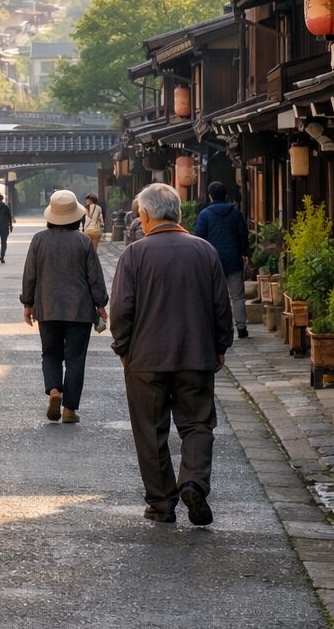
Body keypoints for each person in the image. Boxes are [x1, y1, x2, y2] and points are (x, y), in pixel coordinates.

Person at [110, 183, 233, 526]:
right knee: (197, 423)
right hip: (196, 355)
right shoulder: (204, 251)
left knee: (150, 430)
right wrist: (220, 346)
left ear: (146, 216)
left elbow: (121, 309)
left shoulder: (134, 254)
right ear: (178, 213)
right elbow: (221, 306)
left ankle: (162, 503)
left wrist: (123, 348)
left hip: (145, 359)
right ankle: (193, 480)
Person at [20, 190, 109, 424]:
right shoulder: (83, 241)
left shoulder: (39, 239)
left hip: (47, 307)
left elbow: (30, 275)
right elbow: (94, 277)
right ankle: (70, 410)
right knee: (75, 359)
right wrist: (101, 303)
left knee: (50, 353)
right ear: (76, 217)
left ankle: (54, 391)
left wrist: (28, 303)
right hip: (79, 309)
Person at [194, 181, 252, 339]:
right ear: (226, 195)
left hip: (212, 260)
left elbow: (198, 239)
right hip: (233, 259)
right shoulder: (235, 213)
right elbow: (243, 235)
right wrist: (244, 252)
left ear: (210, 196)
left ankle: (217, 328)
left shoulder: (204, 215)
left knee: (215, 295)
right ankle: (241, 327)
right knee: (238, 295)